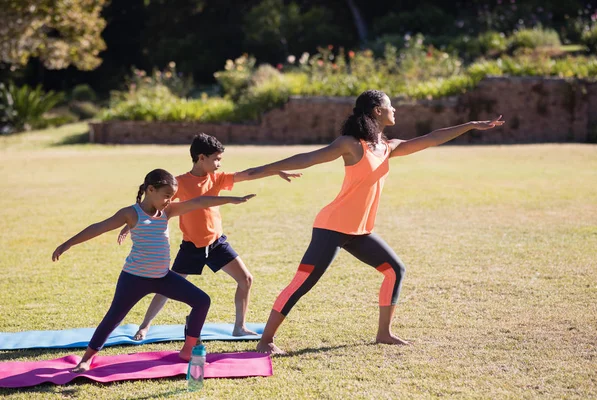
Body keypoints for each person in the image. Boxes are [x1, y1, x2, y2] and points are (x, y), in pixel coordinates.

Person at [248, 89, 504, 354]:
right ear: (377, 111)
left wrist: (472, 125)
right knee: (303, 282)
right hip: (331, 227)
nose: (395, 110)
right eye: (390, 106)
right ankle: (265, 340)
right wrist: (268, 169)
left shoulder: (387, 147)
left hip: (358, 231)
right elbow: (310, 157)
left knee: (395, 270)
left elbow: (431, 138)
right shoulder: (351, 144)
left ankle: (384, 333)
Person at [52, 168, 255, 372]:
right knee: (114, 317)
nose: (169, 200)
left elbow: (198, 202)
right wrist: (68, 244)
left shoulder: (167, 211)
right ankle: (86, 359)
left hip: (162, 278)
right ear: (150, 189)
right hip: (134, 279)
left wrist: (230, 199)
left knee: (202, 301)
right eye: (166, 196)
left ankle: (188, 350)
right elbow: (98, 227)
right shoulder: (131, 213)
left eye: (172, 197)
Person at [118, 133, 300, 340]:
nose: (220, 164)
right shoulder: (178, 184)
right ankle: (144, 326)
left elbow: (248, 173)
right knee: (166, 287)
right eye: (216, 159)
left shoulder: (218, 178)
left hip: (216, 244)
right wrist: (130, 224)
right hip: (190, 247)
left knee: (246, 279)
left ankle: (239, 327)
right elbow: (154, 205)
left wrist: (275, 171)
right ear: (201, 158)